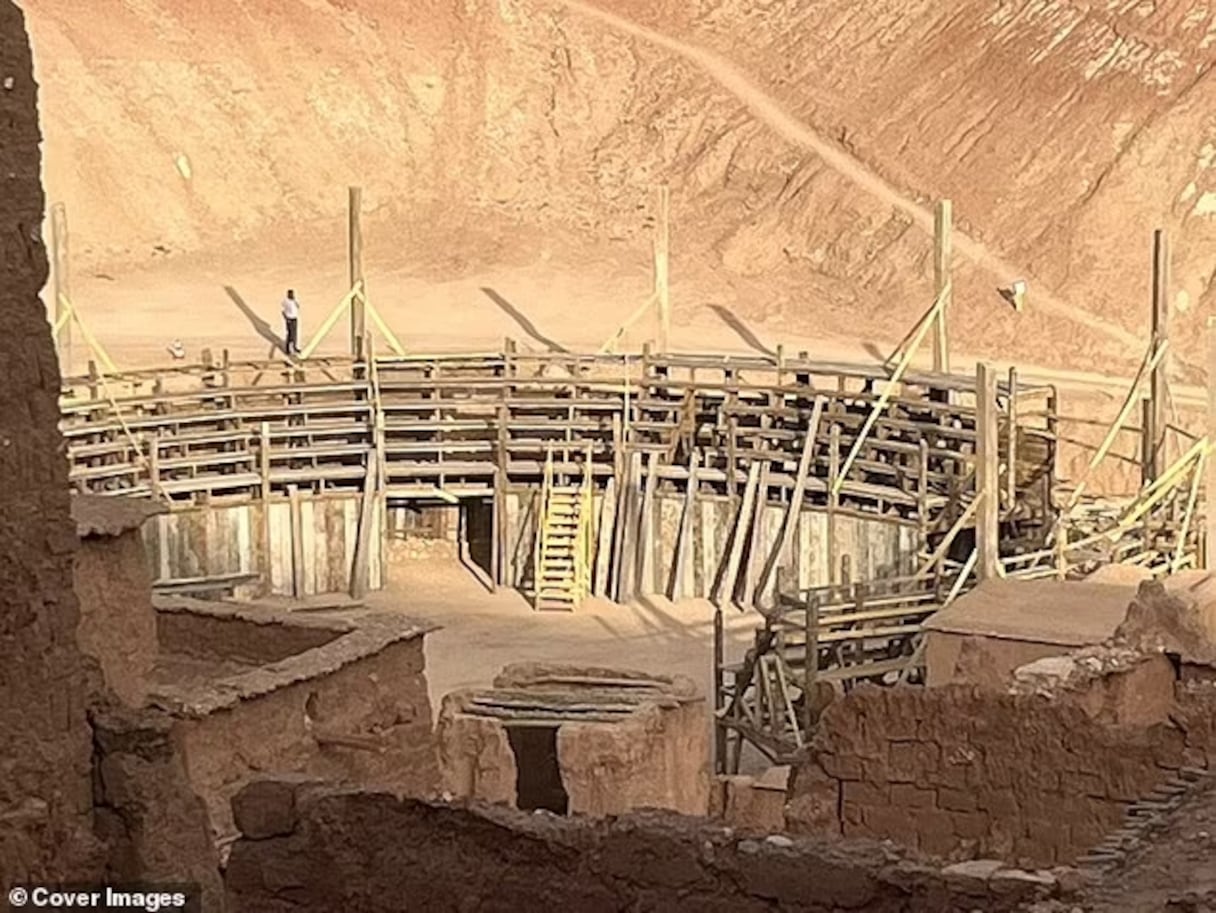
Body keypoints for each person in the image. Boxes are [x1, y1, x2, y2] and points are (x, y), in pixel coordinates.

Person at [281, 289, 301, 356]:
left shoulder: (294, 300)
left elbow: (298, 306)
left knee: (295, 334)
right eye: (290, 294)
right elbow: (283, 311)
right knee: (290, 334)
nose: (292, 295)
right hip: (289, 319)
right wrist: (286, 318)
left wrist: (295, 300)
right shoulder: (286, 301)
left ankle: (294, 347)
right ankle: (287, 349)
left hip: (295, 318)